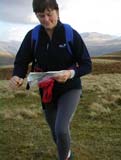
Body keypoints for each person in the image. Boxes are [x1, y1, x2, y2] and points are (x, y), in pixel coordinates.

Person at [9, 0, 92, 159]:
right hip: (46, 90)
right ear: (36, 16)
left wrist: (70, 73)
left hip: (70, 87)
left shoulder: (69, 33)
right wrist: (17, 75)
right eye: (41, 16)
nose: (46, 19)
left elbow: (87, 64)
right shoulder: (33, 36)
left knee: (61, 129)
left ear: (57, 11)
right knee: (56, 132)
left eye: (49, 14)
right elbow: (21, 61)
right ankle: (67, 153)